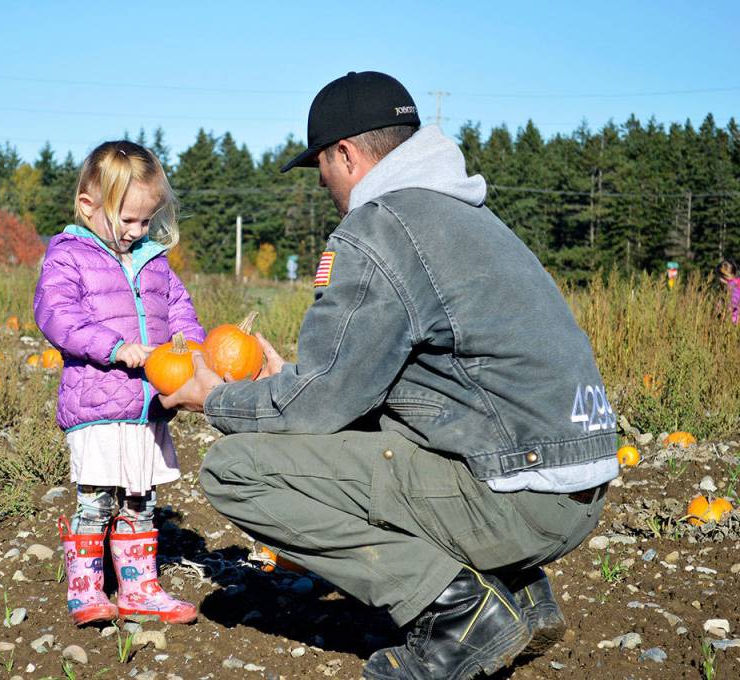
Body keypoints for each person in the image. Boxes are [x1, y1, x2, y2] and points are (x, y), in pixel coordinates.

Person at [161, 72, 618, 679]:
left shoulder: (380, 228)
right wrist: (299, 382)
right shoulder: (466, 214)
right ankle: (519, 592)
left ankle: (461, 614)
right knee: (359, 433)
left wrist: (217, 396)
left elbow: (321, 404)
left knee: (234, 471)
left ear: (345, 154)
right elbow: (393, 384)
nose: (322, 183)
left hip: (517, 500)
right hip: (576, 488)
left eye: (320, 167)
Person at [33, 140, 205, 626]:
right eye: (126, 220)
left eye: (146, 220)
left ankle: (138, 587)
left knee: (140, 499)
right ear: (89, 206)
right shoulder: (69, 255)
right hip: (97, 402)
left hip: (147, 404)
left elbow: (180, 313)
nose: (137, 231)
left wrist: (193, 350)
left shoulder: (154, 260)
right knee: (96, 498)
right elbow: (57, 314)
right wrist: (114, 346)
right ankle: (85, 586)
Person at [717, 259, 739, 324]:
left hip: (733, 320)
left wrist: (724, 313)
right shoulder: (737, 282)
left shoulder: (732, 286)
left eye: (718, 276)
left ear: (724, 276)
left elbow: (733, 302)